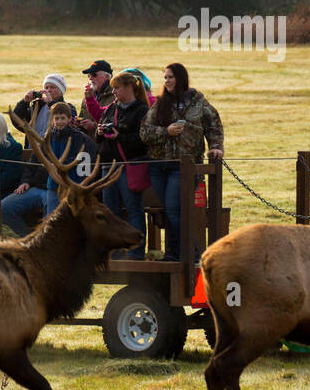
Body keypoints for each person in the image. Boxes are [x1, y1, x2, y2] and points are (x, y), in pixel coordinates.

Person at [140, 63, 224, 261]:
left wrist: (216, 146)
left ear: (180, 78)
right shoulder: (160, 104)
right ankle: (175, 253)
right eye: (165, 78)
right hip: (159, 165)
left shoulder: (198, 102)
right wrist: (165, 132)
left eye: (170, 77)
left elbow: (214, 126)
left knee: (173, 209)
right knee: (169, 212)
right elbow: (144, 132)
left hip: (185, 166)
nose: (167, 81)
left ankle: (191, 253)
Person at [1, 102, 92, 235]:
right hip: (51, 186)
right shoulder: (46, 140)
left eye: (62, 118)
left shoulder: (79, 139)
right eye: (56, 118)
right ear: (52, 120)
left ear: (69, 119)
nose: (59, 122)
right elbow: (34, 161)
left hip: (67, 187)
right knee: (49, 223)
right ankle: (31, 240)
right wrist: (26, 181)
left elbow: (82, 164)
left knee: (60, 223)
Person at [94, 72, 149, 259]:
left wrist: (120, 136)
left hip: (128, 166)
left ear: (129, 88)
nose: (114, 91)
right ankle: (115, 253)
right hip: (108, 166)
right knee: (111, 212)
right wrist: (100, 132)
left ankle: (136, 252)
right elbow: (98, 139)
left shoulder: (141, 110)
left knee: (134, 210)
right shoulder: (110, 108)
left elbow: (143, 140)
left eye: (117, 88)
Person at [13, 74, 67, 139]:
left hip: (52, 148)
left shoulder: (68, 107)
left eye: (52, 87)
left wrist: (51, 103)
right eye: (46, 87)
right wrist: (24, 102)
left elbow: (67, 127)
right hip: (33, 147)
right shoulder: (37, 106)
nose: (49, 90)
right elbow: (17, 120)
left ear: (61, 91)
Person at [75, 59, 114, 135]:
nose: (90, 78)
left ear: (107, 76)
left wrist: (94, 126)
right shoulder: (88, 94)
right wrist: (78, 123)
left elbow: (114, 123)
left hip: (105, 143)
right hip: (89, 143)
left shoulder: (115, 95)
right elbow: (82, 116)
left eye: (94, 75)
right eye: (89, 75)